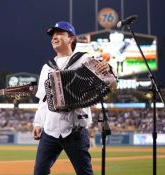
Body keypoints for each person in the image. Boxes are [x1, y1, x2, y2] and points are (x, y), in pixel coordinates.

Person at [32, 21, 116, 175]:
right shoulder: (47, 67)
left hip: (75, 130)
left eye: (59, 34)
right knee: (39, 172)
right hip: (50, 130)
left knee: (84, 172)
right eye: (52, 35)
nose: (54, 38)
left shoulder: (83, 60)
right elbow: (43, 99)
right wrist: (38, 123)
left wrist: (108, 67)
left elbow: (109, 78)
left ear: (71, 38)